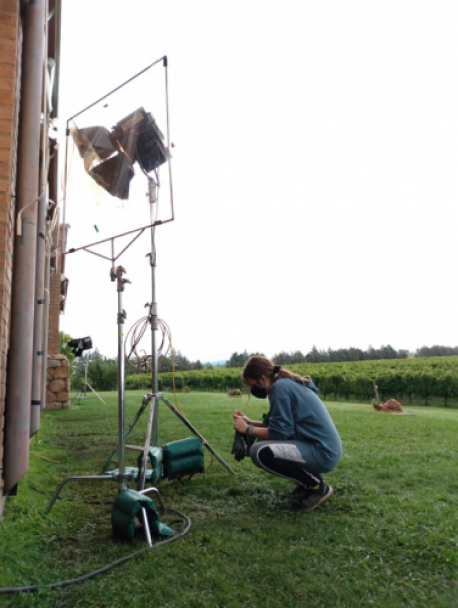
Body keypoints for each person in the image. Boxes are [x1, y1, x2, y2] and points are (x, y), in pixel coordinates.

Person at [233, 355, 342, 511]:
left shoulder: (280, 388)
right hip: (323, 448)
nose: (253, 390)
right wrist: (250, 423)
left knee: (260, 451)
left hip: (322, 451)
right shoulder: (286, 385)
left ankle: (318, 487)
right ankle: (306, 484)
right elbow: (283, 425)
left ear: (262, 379)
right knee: (265, 445)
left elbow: (279, 433)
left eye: (253, 385)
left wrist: (248, 430)